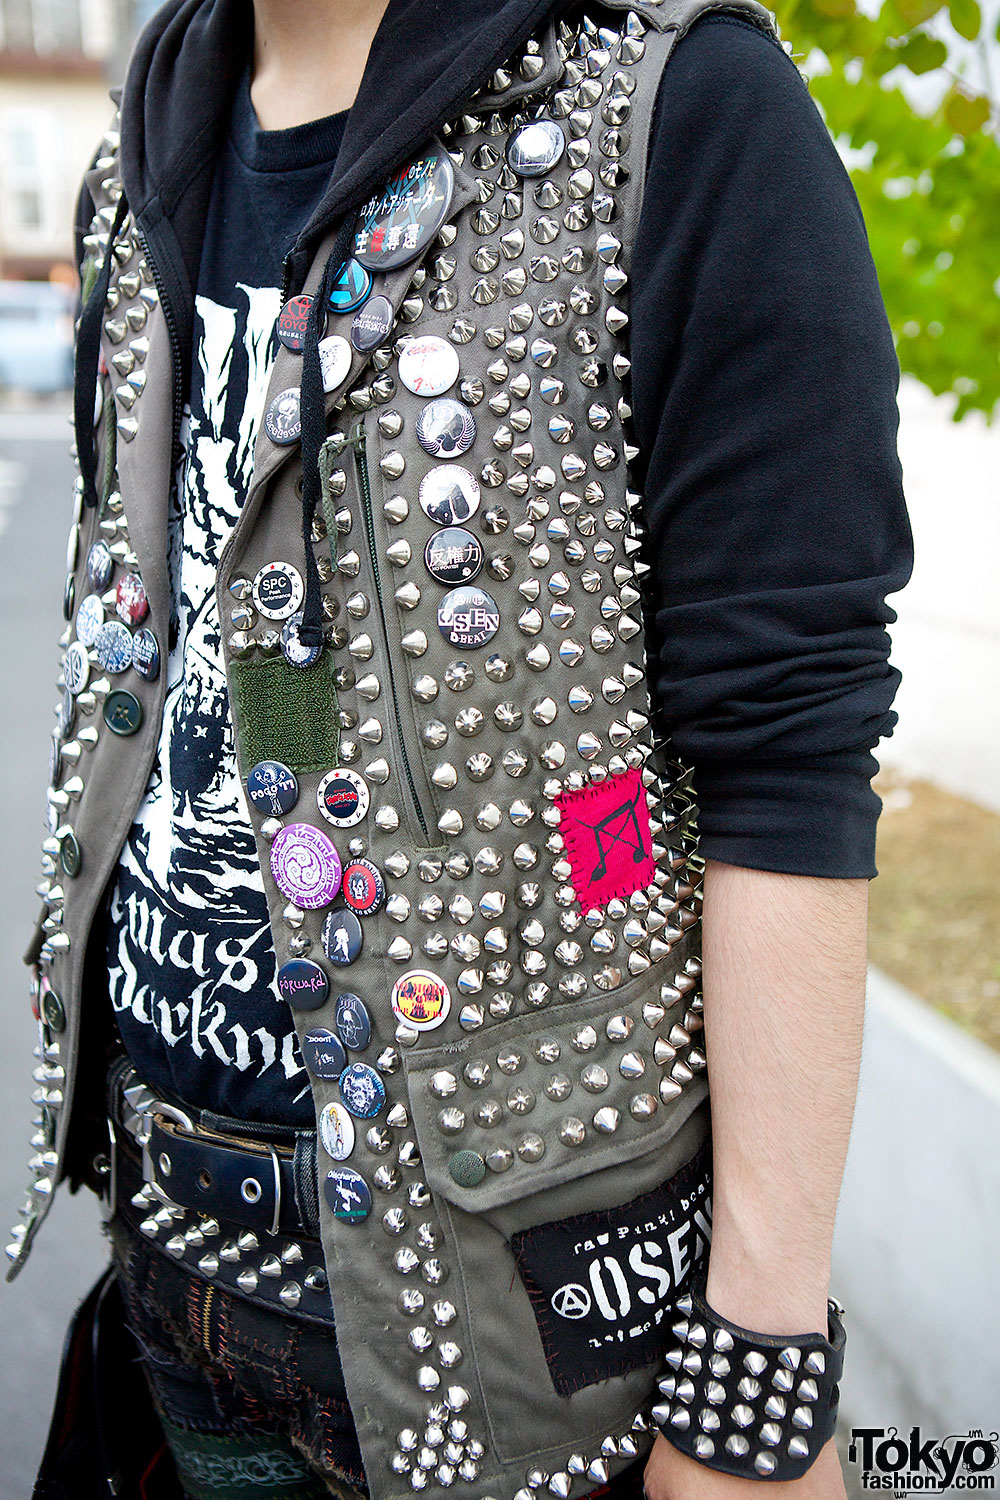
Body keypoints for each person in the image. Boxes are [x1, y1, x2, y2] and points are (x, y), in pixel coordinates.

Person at [10, 0, 912, 1498]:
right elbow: (255, 642)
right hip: (162, 1282)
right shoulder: (152, 133)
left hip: (515, 1358)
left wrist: (758, 1369)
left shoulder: (679, 104)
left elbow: (789, 759)